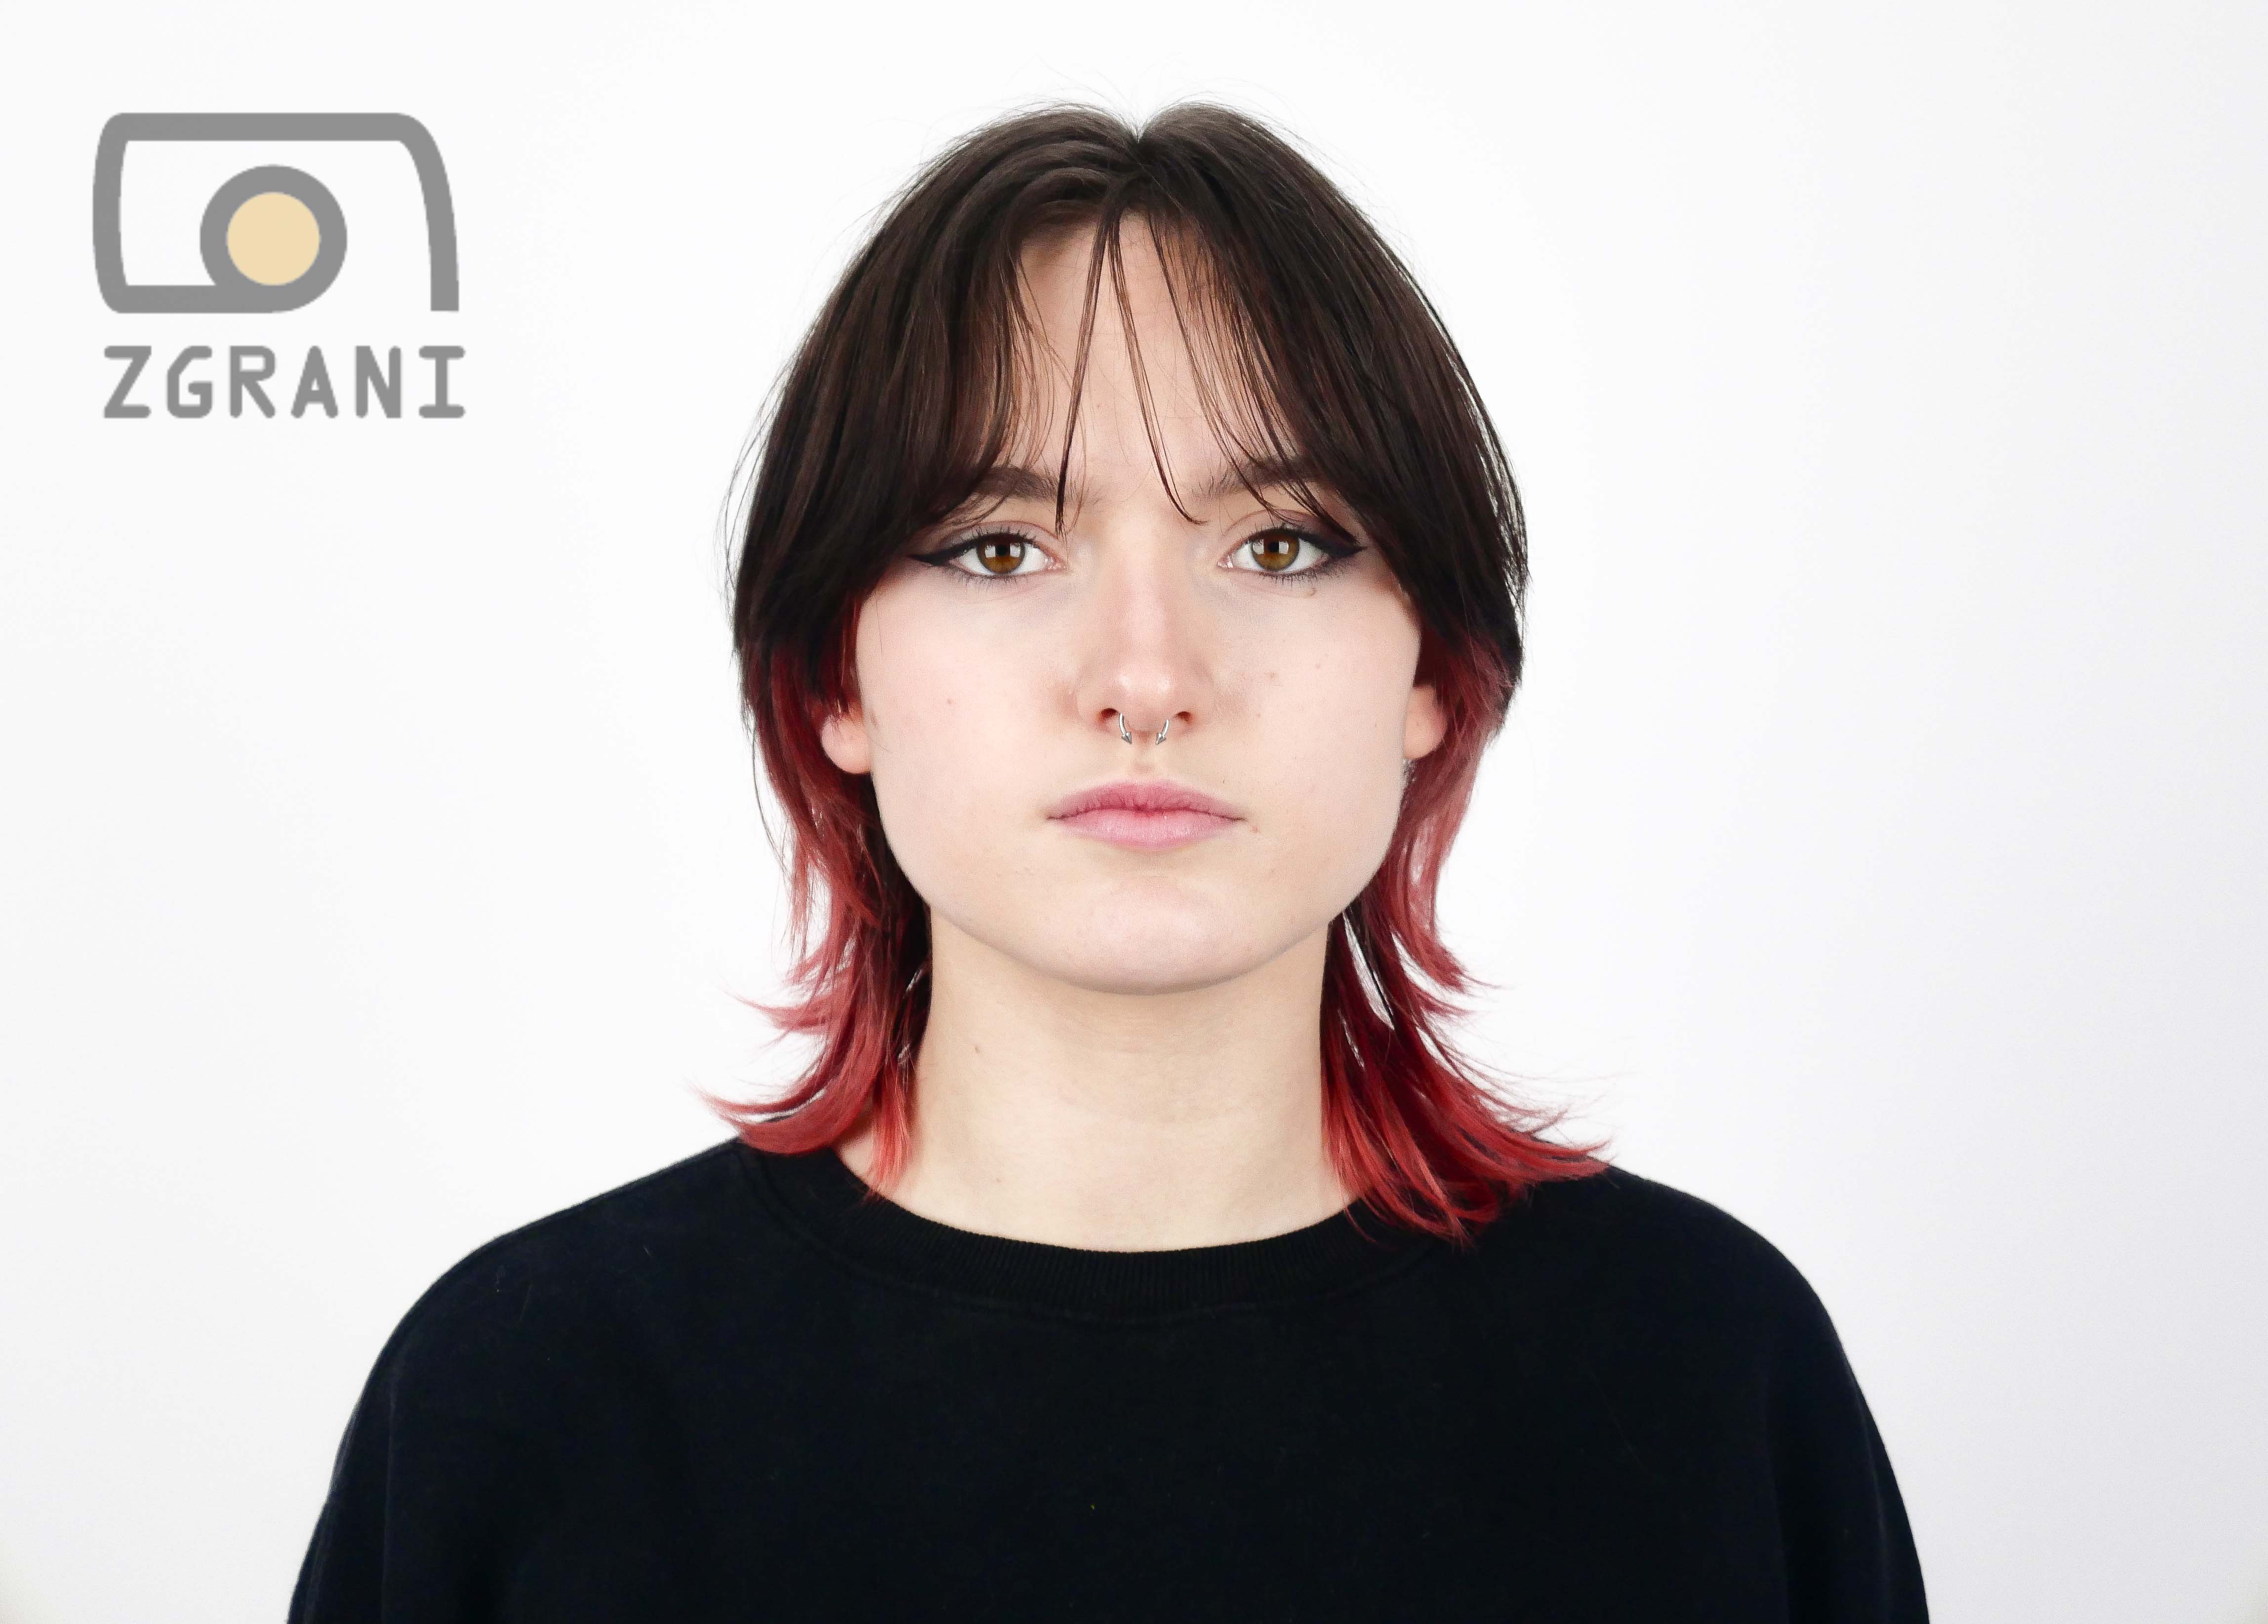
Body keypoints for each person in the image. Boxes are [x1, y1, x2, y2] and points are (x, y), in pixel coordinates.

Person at [289, 101, 1927, 1622]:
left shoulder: (1706, 1374)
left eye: (1279, 543)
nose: (1147, 676)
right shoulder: (525, 1399)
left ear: (1432, 667)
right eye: (1002, 547)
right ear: (835, 676)